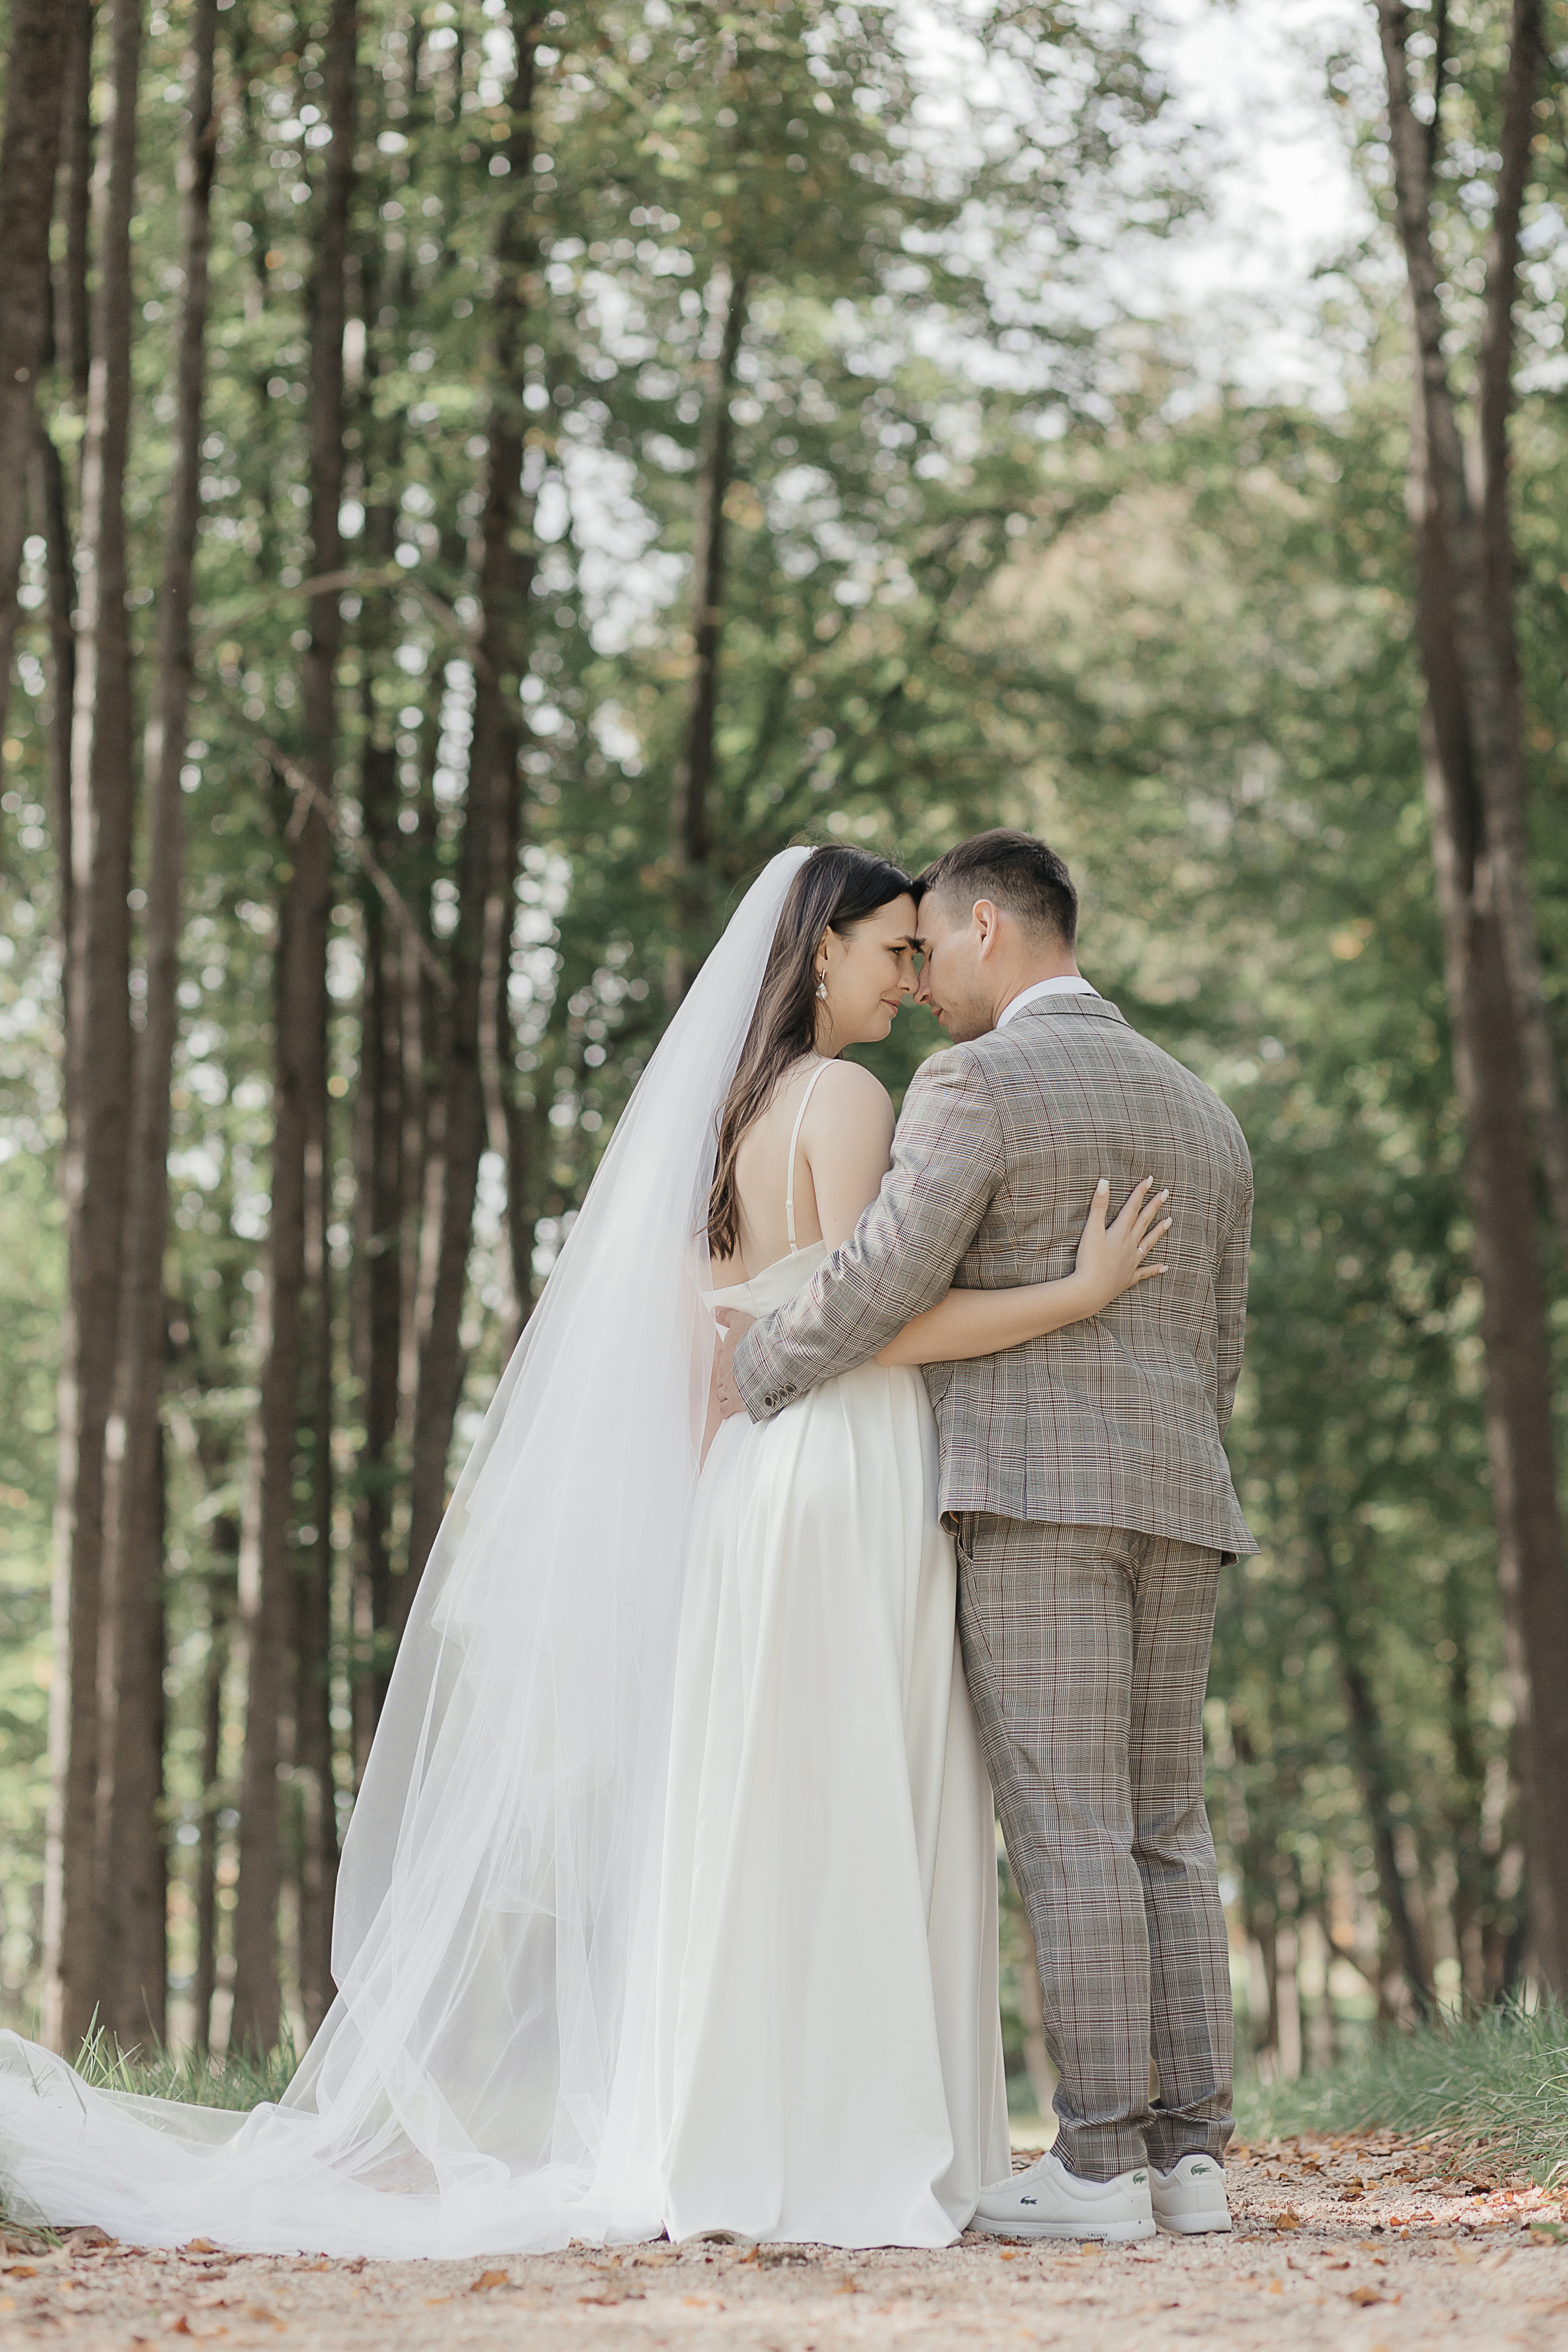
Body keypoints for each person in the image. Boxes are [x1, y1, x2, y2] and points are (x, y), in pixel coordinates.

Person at [0, 843, 1167, 2258]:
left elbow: (703, 1355)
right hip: (845, 1461)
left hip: (750, 1481)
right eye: (889, 951)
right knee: (864, 1783)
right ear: (820, 952)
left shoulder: (723, 1119)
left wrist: (693, 1518)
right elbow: (876, 1321)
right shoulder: (847, 1100)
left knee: (765, 1801)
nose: (909, 980)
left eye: (920, 954)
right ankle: (863, 2138)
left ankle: (740, 2129)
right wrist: (1073, 1292)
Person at [718, 829, 1254, 2244]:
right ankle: (1190, 2163)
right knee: (1162, 1829)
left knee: (1067, 1829)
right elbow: (1219, 1344)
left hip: (1032, 1497)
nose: (924, 982)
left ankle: (1091, 2171)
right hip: (1183, 1498)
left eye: (930, 948)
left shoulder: (976, 1079)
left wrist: (759, 1369)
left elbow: (881, 1280)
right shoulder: (1203, 1110)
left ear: (983, 930)